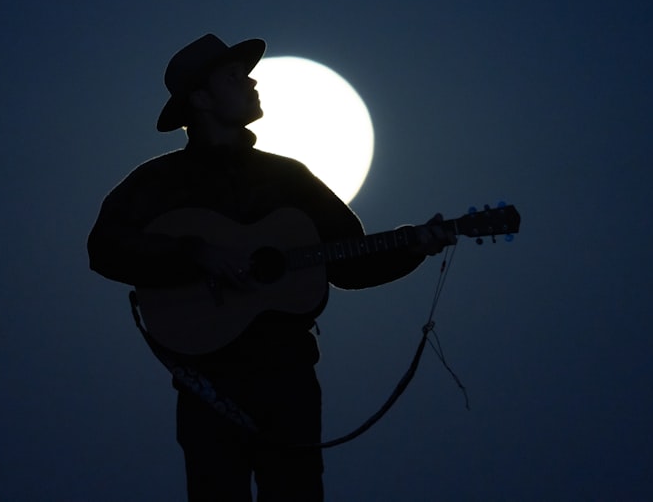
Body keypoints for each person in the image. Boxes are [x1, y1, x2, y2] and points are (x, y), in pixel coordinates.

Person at [87, 33, 451, 502]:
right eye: (235, 76)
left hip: (289, 378)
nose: (252, 81)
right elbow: (105, 249)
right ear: (199, 99)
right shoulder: (156, 183)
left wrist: (414, 246)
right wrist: (194, 253)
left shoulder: (288, 177)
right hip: (207, 385)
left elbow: (349, 263)